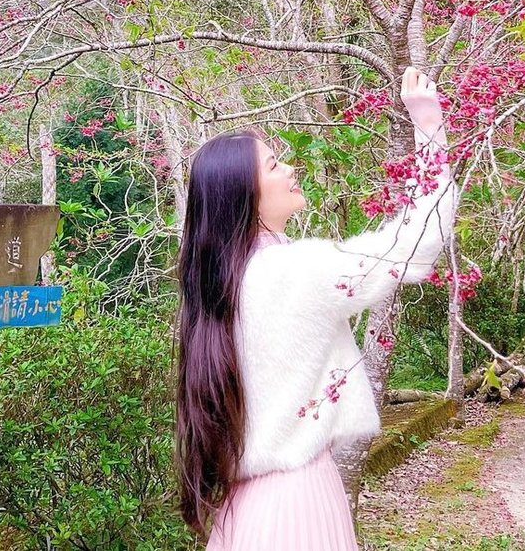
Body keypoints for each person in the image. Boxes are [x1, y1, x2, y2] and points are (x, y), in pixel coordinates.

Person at [174, 66, 459, 549]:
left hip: (249, 509)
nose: (290, 169)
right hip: (296, 505)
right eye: (273, 165)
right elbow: (412, 244)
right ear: (244, 195)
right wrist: (430, 131)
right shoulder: (288, 272)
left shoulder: (226, 283)